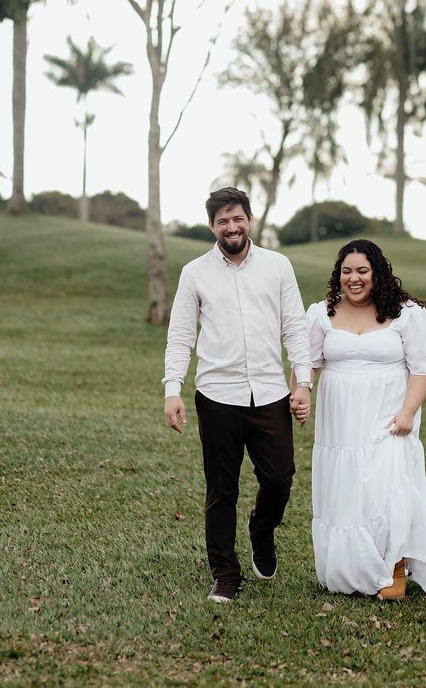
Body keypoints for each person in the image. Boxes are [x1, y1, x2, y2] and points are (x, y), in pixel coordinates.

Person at [163, 187, 312, 604]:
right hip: (216, 395)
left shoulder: (278, 266)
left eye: (237, 218)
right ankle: (226, 574)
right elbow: (180, 335)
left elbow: (295, 327)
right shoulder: (194, 273)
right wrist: (172, 389)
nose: (231, 227)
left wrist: (303, 383)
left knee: (279, 478)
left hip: (270, 393)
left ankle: (261, 530)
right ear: (212, 226)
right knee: (221, 490)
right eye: (222, 221)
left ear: (250, 219)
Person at [298, 238, 426, 600]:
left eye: (362, 271)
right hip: (340, 424)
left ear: (377, 273)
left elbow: (421, 368)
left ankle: (394, 568)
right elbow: (307, 363)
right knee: (347, 492)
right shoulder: (321, 313)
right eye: (346, 271)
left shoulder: (407, 313)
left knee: (386, 489)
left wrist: (408, 413)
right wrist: (302, 392)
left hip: (389, 417)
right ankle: (351, 569)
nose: (353, 279)